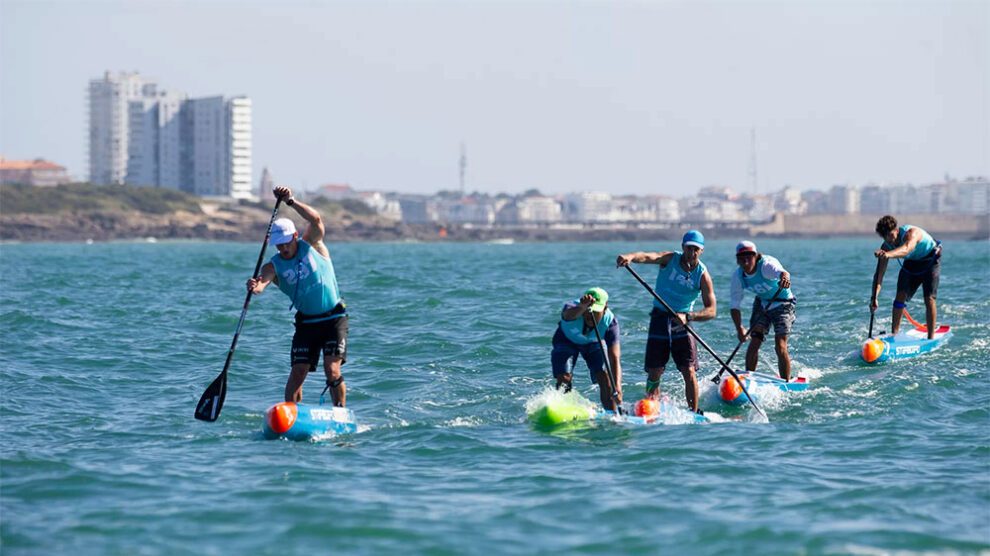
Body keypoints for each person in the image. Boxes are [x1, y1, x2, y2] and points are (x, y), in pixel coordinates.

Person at [247, 186, 349, 406]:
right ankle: (292, 414)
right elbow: (262, 283)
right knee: (298, 372)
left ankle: (340, 412)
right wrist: (255, 286)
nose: (283, 248)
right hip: (307, 324)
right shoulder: (273, 265)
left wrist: (290, 201)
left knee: (331, 370)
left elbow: (316, 219)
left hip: (334, 318)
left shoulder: (312, 244)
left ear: (295, 236)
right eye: (279, 244)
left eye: (286, 242)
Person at [615, 230, 716, 413]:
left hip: (683, 320)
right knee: (655, 371)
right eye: (688, 248)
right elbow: (647, 257)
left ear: (701, 251)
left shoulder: (702, 275)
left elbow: (711, 310)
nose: (691, 252)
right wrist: (629, 257)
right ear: (682, 247)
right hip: (660, 317)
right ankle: (651, 408)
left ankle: (694, 411)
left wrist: (689, 316)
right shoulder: (670, 259)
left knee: (689, 370)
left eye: (695, 249)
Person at [729, 240, 796, 380]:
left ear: (755, 256)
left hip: (783, 303)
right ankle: (748, 379)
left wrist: (785, 279)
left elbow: (783, 273)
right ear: (737, 260)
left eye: (749, 256)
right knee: (755, 341)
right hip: (763, 304)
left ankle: (786, 381)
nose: (746, 260)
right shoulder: (738, 276)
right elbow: (735, 305)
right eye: (742, 257)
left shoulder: (766, 266)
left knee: (780, 344)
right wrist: (739, 328)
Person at [551, 287, 623, 411]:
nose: (590, 315)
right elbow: (566, 316)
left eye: (596, 312)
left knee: (605, 377)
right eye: (589, 311)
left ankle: (612, 414)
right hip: (566, 340)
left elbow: (614, 358)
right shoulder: (572, 308)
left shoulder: (611, 323)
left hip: (593, 343)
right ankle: (563, 410)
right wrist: (583, 307)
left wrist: (617, 387)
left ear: (605, 308)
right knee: (564, 377)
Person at [870, 215, 942, 340]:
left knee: (929, 298)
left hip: (930, 260)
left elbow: (907, 249)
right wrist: (874, 297)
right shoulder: (886, 246)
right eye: (885, 237)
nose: (889, 240)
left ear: (896, 230)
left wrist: (887, 255)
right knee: (899, 297)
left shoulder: (911, 233)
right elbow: (879, 275)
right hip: (912, 262)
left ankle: (930, 338)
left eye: (890, 235)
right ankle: (894, 335)